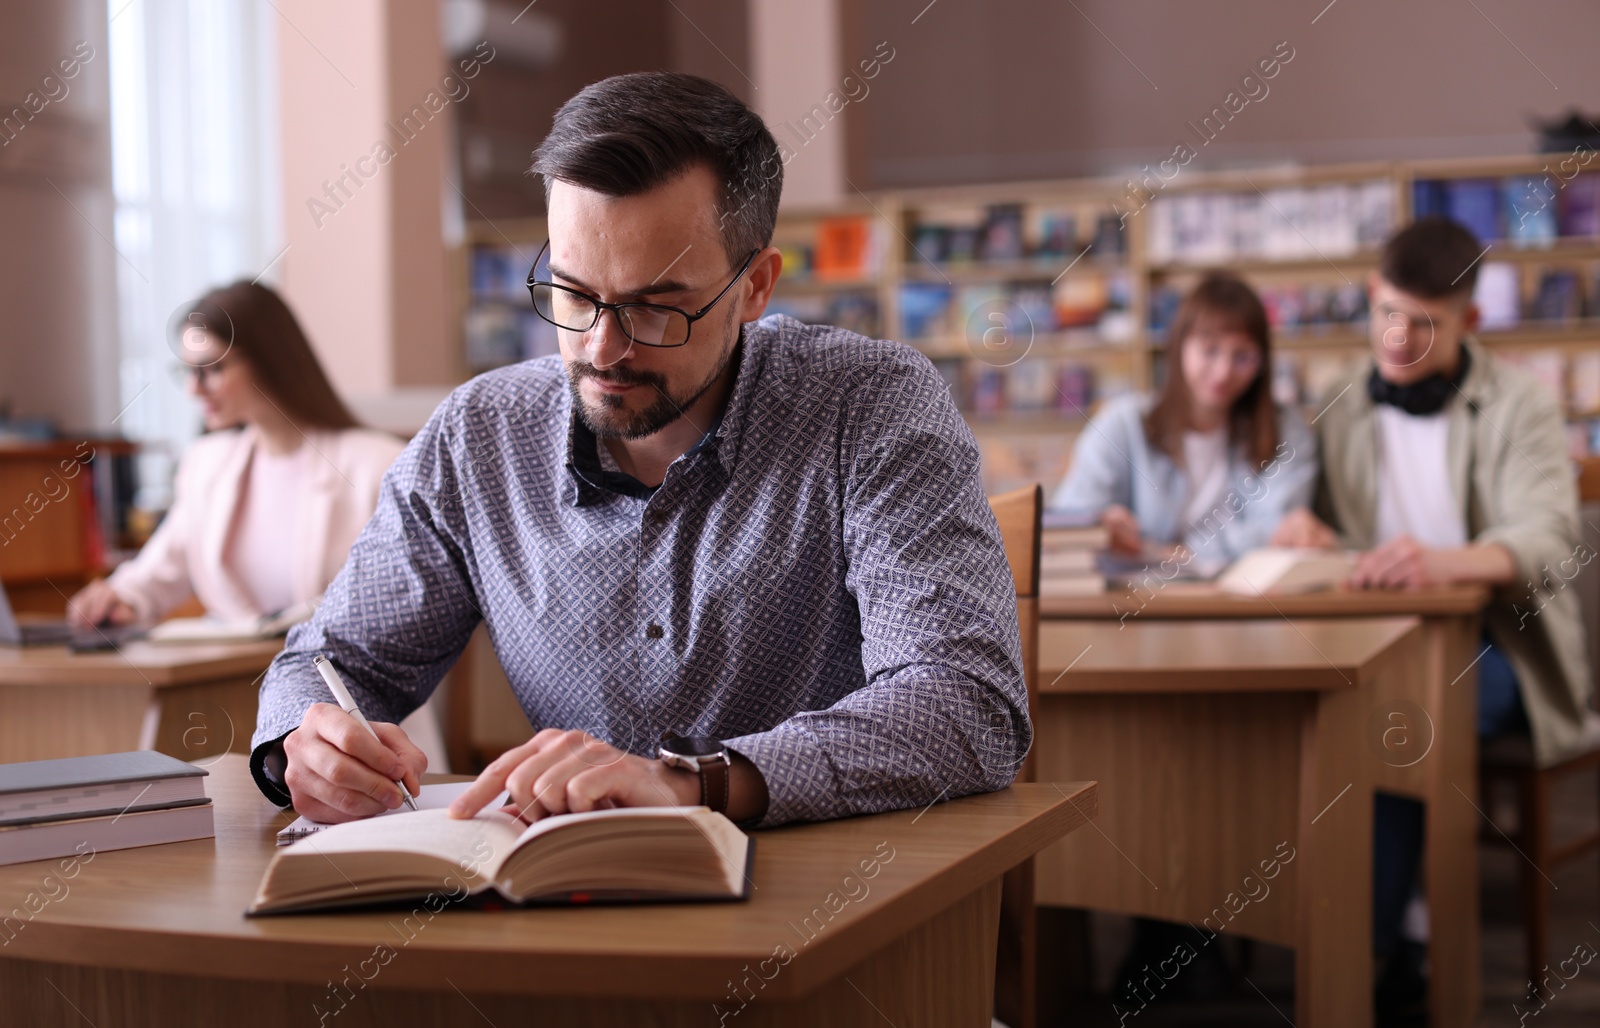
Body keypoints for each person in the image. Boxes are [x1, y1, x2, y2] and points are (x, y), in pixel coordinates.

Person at [247, 73, 1030, 830]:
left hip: (830, 907)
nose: (602, 347)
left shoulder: (870, 405)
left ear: (756, 286)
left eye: (657, 308)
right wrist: (301, 746)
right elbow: (326, 663)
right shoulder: (477, 438)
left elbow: (967, 702)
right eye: (573, 292)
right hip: (561, 910)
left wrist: (691, 781)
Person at [1273, 217, 1598, 1012]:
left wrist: (1440, 559)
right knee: (1329, 707)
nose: (1398, 338)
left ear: (1471, 322)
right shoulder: (1339, 400)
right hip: (1378, 637)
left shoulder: (1520, 401)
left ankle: (1369, 949)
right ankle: (1374, 935)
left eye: (1425, 323)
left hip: (1503, 647)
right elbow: (1310, 523)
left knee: (1394, 716)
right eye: (1387, 312)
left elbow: (1552, 541)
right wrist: (1297, 526)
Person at [69, 283, 445, 765]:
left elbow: (409, 609)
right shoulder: (207, 464)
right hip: (229, 718)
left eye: (212, 369)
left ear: (270, 361)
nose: (193, 389)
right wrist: (118, 597)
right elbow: (161, 569)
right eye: (186, 371)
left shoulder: (375, 463)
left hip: (349, 723)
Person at [1050, 271, 1316, 565]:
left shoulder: (1285, 429)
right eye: (1209, 350)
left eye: (1242, 356)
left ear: (1262, 363)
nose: (1223, 371)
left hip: (1243, 601)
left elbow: (1277, 529)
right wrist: (1099, 524)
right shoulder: (1121, 423)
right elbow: (1068, 525)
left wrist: (1164, 554)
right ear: (1180, 348)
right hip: (1132, 602)